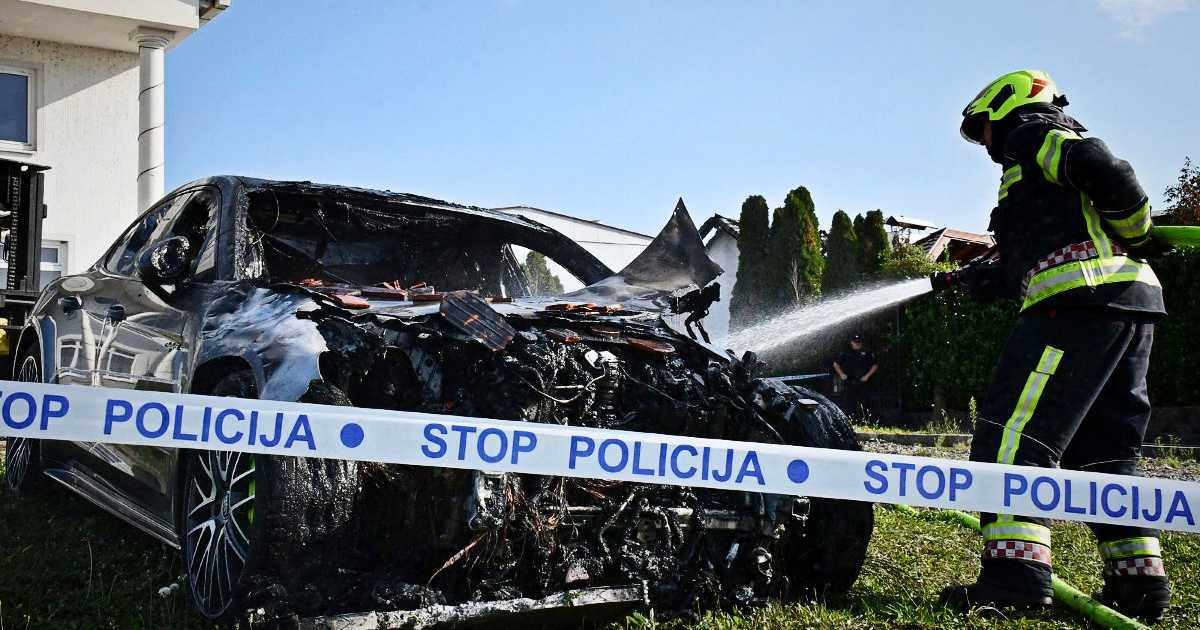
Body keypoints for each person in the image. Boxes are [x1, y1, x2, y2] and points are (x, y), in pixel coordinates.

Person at [938, 70, 1171, 624]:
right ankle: (1139, 583)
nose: (987, 143)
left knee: (1011, 440)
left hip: (1077, 303)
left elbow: (1103, 166)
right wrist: (994, 275)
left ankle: (1014, 580)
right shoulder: (1033, 171)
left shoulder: (1033, 130)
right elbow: (1047, 238)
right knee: (1106, 457)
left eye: (983, 128)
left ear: (1006, 105)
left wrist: (1137, 227)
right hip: (1127, 304)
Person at [833, 335, 877, 420]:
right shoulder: (846, 353)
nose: (857, 344)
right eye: (855, 342)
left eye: (859, 342)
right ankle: (851, 422)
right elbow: (836, 364)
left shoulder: (867, 352)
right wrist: (842, 374)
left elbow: (874, 365)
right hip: (849, 382)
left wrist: (867, 376)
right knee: (849, 403)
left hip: (863, 382)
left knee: (865, 403)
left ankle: (866, 422)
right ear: (851, 343)